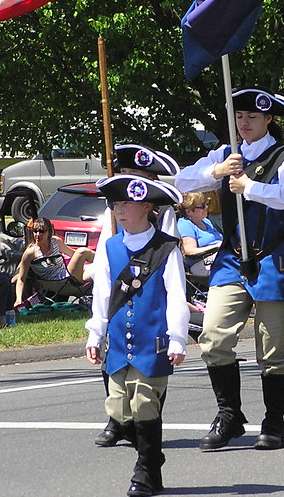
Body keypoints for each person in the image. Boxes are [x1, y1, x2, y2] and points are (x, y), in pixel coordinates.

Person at [175, 87, 284, 451]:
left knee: (272, 347)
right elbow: (181, 182)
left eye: (252, 117)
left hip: (273, 256)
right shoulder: (225, 154)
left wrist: (250, 187)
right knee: (214, 336)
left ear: (268, 120)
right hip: (233, 256)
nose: (244, 123)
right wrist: (217, 170)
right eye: (240, 117)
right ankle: (229, 415)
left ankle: (274, 420)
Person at [85, 175, 189, 497]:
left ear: (146, 207)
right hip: (118, 344)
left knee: (145, 403)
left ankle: (145, 472)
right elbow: (101, 295)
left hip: (152, 343)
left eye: (126, 203)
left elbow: (176, 295)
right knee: (118, 411)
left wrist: (178, 338)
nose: (119, 210)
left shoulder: (166, 248)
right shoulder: (110, 247)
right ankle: (152, 456)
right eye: (116, 204)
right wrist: (95, 334)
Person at [94, 143, 181, 450]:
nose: (131, 182)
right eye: (125, 173)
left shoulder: (163, 214)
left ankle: (146, 431)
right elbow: (107, 244)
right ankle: (118, 420)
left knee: (147, 382)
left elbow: (168, 250)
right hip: (118, 282)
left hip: (149, 288)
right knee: (116, 359)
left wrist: (177, 336)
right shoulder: (116, 211)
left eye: (137, 175)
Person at [12, 217, 94, 308]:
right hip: (59, 282)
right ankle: (107, 258)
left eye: (42, 231)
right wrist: (18, 299)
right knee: (82, 252)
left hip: (69, 275)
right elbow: (21, 279)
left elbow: (72, 254)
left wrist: (79, 262)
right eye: (35, 231)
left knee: (100, 268)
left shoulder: (55, 241)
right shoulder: (31, 253)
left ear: (49, 232)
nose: (38, 234)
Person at [177, 192, 223, 278]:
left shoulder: (205, 221)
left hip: (217, 258)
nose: (206, 207)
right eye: (202, 206)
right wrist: (217, 247)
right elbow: (190, 251)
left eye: (205, 204)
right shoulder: (185, 225)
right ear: (189, 211)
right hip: (202, 264)